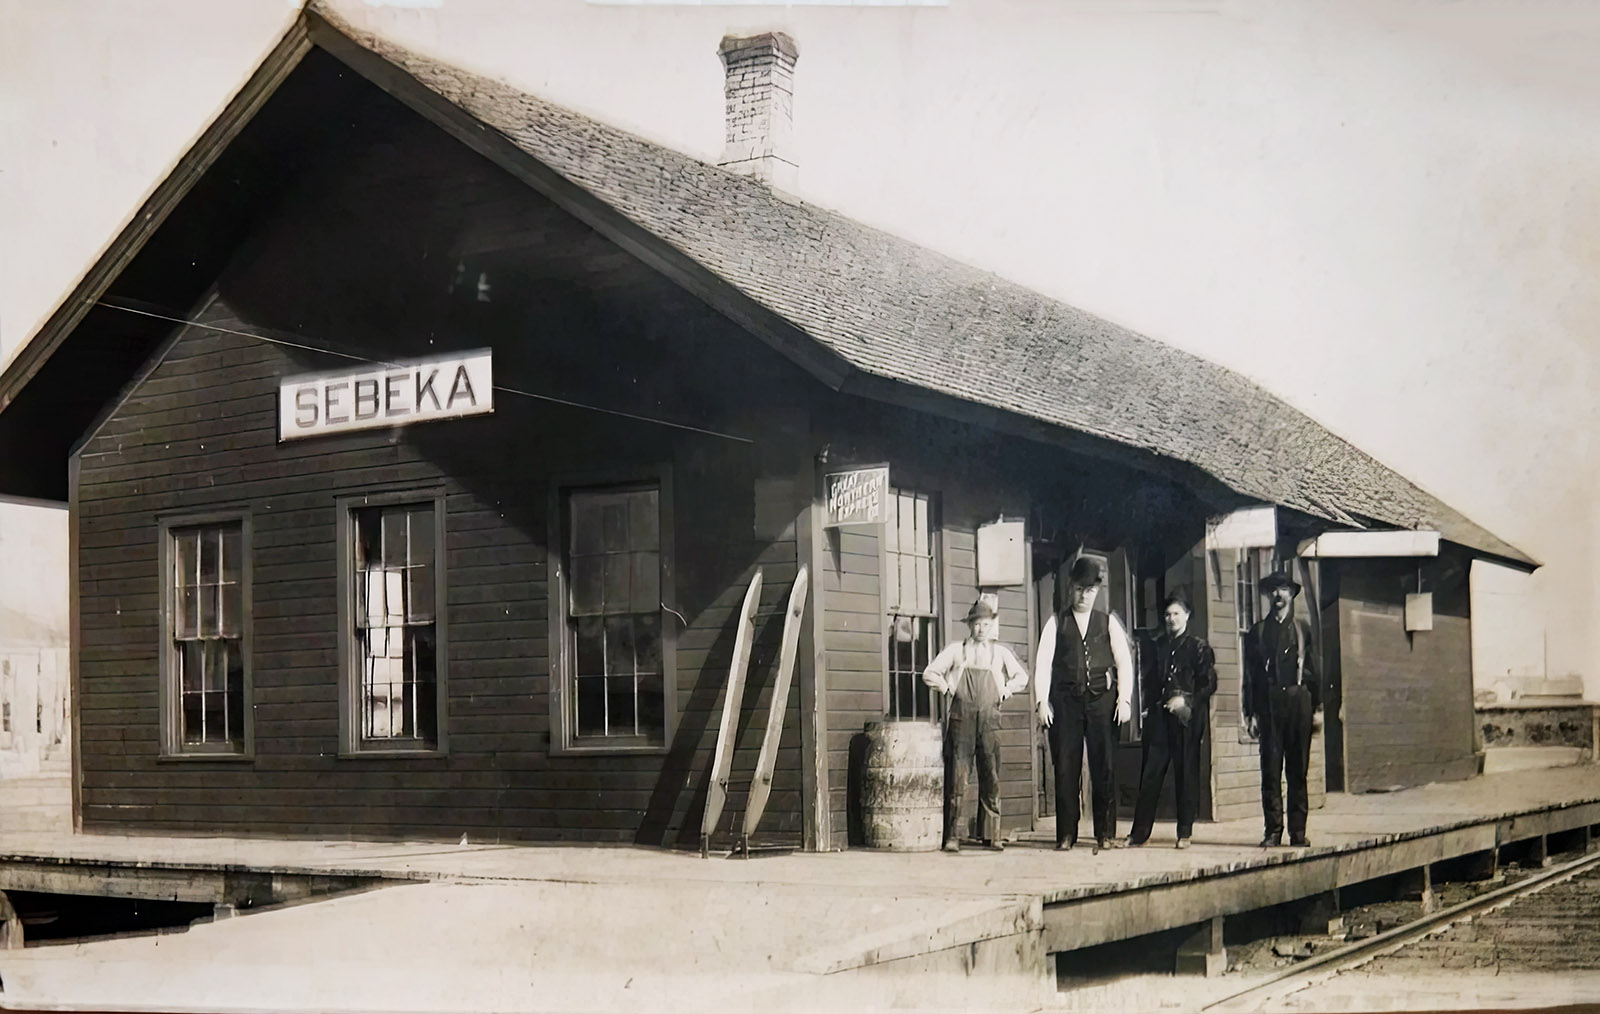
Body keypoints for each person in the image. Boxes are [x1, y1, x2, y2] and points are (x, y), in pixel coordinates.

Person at [1034, 557, 1134, 854]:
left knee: (1105, 767)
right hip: (1065, 704)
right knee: (1066, 767)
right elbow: (1043, 665)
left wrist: (1124, 698)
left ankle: (1104, 833)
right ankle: (1066, 834)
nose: (1084, 595)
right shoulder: (1056, 622)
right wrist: (1042, 700)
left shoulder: (1108, 621)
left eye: (1089, 590)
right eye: (1079, 589)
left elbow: (1124, 662)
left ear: (1097, 590)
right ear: (1070, 588)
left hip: (1102, 702)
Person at [922, 593, 1030, 853]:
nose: (981, 629)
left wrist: (1004, 690)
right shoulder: (956, 651)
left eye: (986, 624)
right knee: (957, 778)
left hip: (990, 722)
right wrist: (948, 687)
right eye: (977, 624)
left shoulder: (1000, 652)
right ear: (970, 625)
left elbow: (1022, 677)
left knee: (990, 776)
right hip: (962, 721)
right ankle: (951, 836)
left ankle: (991, 835)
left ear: (992, 625)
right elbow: (929, 673)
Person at [1126, 591, 1216, 849]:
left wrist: (1186, 702)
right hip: (1160, 719)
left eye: (1176, 613)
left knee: (1186, 773)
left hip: (1186, 721)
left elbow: (1208, 684)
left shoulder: (1199, 647)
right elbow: (1150, 682)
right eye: (1167, 614)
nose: (1171, 619)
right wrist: (1148, 709)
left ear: (1187, 616)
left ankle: (1184, 832)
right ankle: (1139, 833)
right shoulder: (1158, 646)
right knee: (1150, 774)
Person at [1243, 571, 1323, 848]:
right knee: (1270, 770)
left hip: (1298, 701)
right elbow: (1250, 676)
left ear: (1291, 594)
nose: (1279, 595)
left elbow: (1316, 671)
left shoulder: (1303, 629)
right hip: (1268, 704)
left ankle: (1298, 833)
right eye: (1274, 590)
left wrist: (1318, 707)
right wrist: (1250, 713)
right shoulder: (1258, 632)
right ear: (1268, 596)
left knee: (1298, 771)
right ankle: (1273, 831)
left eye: (1284, 590)